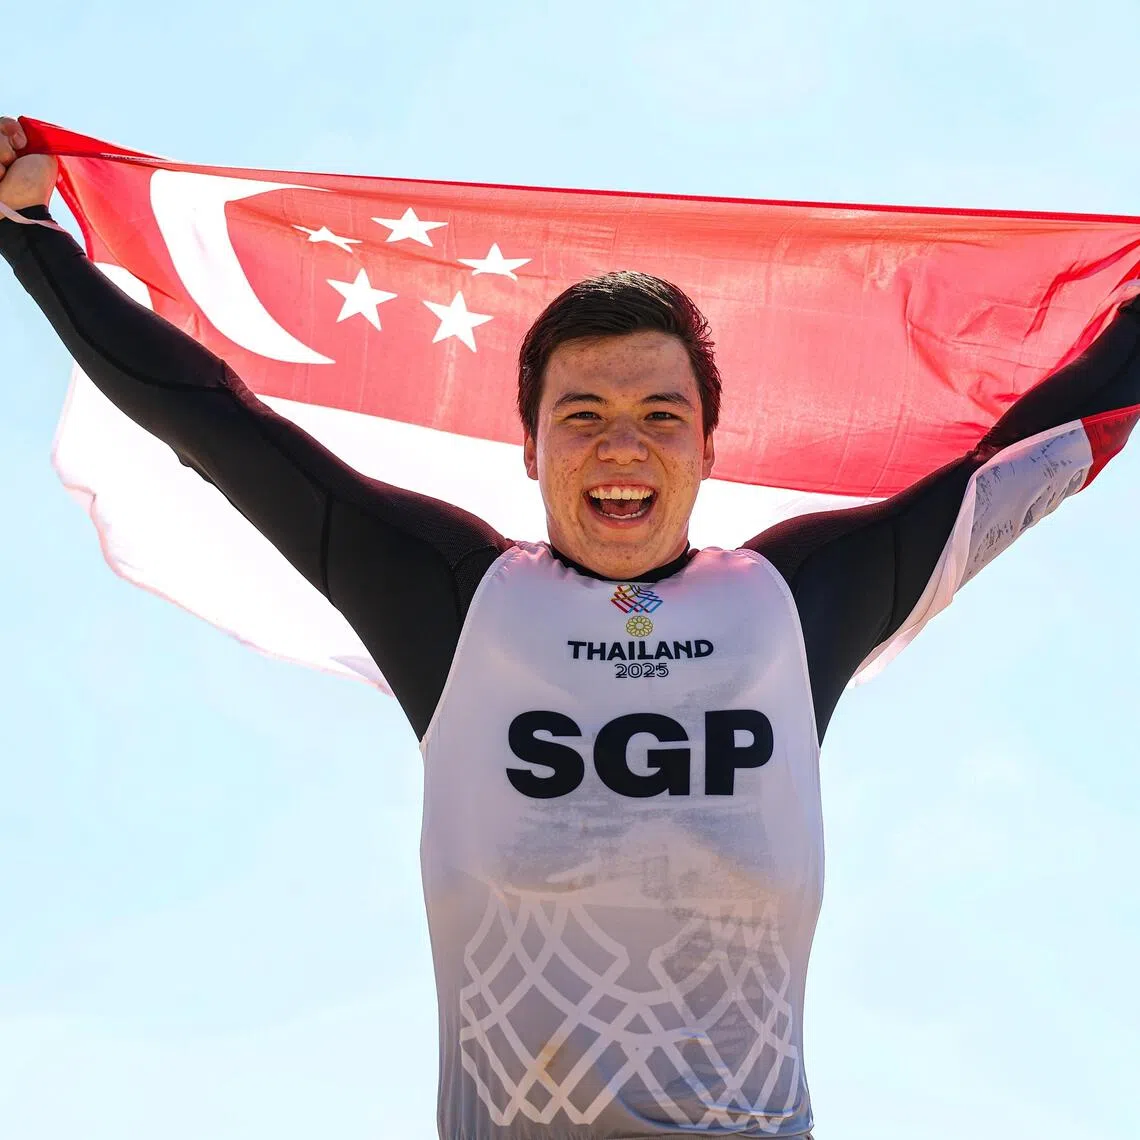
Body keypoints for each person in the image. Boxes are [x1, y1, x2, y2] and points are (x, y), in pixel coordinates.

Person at [2, 113, 1138, 1139]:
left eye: (660, 417)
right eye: (582, 416)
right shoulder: (453, 601)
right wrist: (30, 234)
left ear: (709, 449)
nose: (622, 448)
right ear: (531, 449)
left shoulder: (795, 607)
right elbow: (218, 427)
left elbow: (1025, 458)